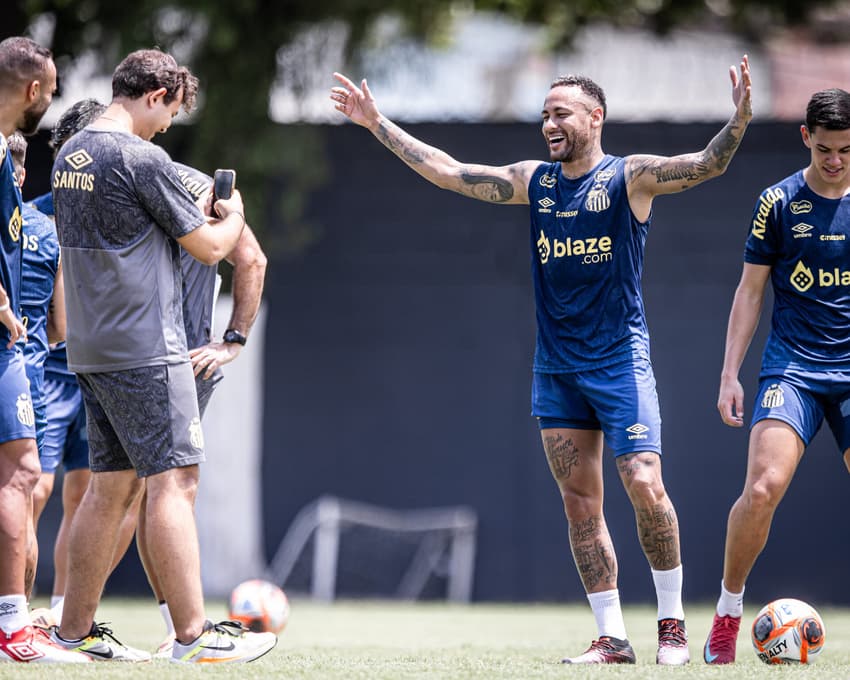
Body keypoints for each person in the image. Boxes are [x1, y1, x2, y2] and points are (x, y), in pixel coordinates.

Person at [331, 57, 752, 665]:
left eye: (561, 113)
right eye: (544, 115)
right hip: (557, 369)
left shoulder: (629, 177)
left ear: (595, 117)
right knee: (581, 501)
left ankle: (671, 626)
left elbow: (707, 164)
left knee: (643, 482)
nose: (549, 123)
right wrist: (376, 123)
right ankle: (611, 637)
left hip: (619, 362)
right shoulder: (536, 182)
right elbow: (451, 172)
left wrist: (738, 119)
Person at [49, 49, 276, 663]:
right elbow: (209, 249)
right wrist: (235, 217)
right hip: (147, 345)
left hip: (92, 348)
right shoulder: (141, 157)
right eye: (170, 110)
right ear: (154, 94)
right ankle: (193, 636)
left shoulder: (70, 154)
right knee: (175, 481)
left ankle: (72, 632)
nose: (169, 126)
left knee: (109, 487)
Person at [704, 88, 850, 664]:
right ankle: (727, 612)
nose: (835, 160)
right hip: (792, 368)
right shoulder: (779, 202)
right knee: (762, 489)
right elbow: (750, 289)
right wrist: (729, 374)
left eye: (845, 150)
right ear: (805, 139)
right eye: (824, 149)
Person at [0, 36, 85, 664]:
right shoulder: (48, 220)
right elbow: (59, 326)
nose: (50, 102)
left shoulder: (7, 158)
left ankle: (17, 625)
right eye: (50, 92)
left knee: (29, 479)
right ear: (33, 90)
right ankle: (17, 629)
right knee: (28, 479)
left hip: (20, 355)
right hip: (16, 352)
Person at [7, 132, 66, 602]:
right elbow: (61, 328)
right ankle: (16, 618)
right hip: (28, 378)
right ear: (22, 175)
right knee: (21, 505)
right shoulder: (48, 232)